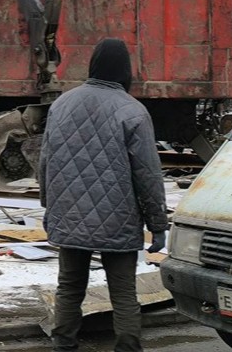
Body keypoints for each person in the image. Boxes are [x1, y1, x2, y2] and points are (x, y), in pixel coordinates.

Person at [38, 37, 168, 352]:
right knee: (123, 292)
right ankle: (126, 347)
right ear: (126, 70)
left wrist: (49, 205)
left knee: (69, 287)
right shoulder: (133, 111)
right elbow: (147, 174)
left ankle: (64, 344)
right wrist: (158, 224)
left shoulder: (61, 104)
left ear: (93, 65)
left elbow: (45, 162)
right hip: (118, 218)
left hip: (70, 213)